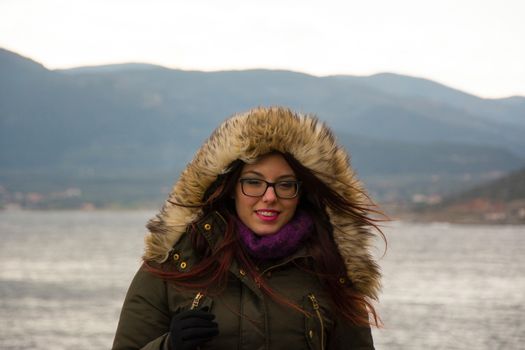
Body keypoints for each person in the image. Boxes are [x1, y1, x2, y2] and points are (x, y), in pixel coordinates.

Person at [112, 106, 384, 350]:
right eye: (254, 182)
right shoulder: (175, 263)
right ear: (231, 189)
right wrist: (169, 347)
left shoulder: (330, 269)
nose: (269, 196)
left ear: (301, 193)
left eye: (285, 184)